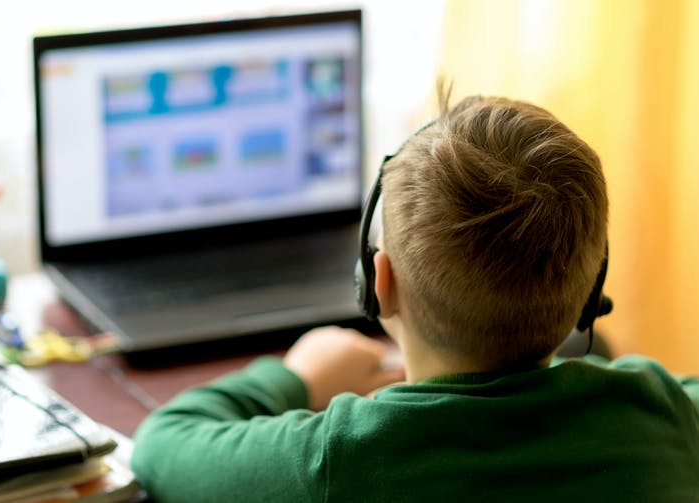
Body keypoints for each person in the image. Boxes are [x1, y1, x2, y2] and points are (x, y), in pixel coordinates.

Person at [131, 87, 699, 502]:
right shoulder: (665, 412)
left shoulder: (342, 457)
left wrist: (296, 378)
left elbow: (162, 447)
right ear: (591, 287)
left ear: (379, 282)